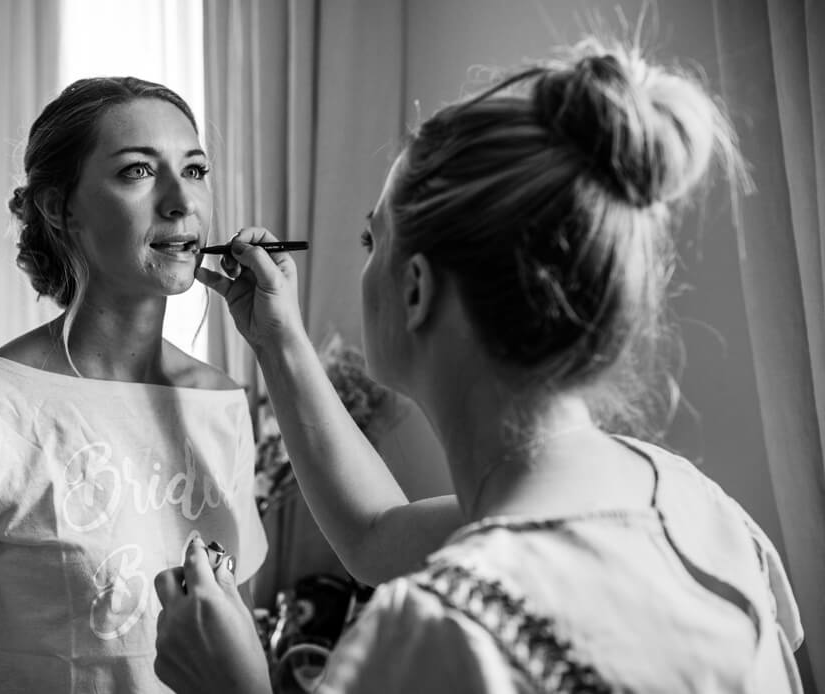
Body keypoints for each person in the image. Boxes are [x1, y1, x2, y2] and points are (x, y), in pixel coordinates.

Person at [153, 40, 804, 693]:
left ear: (415, 289)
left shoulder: (442, 633)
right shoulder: (695, 504)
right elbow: (375, 539)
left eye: (369, 239)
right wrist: (278, 338)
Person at [0, 77, 267, 693]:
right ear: (59, 207)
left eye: (196, 169)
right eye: (137, 172)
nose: (182, 201)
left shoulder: (224, 405)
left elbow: (235, 640)